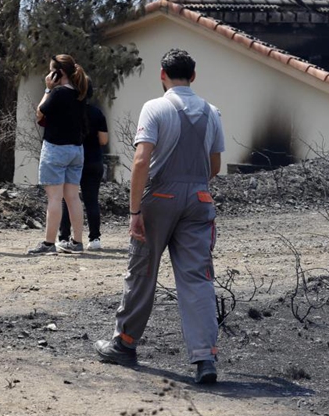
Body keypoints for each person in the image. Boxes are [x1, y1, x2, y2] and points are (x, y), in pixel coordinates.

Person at [94, 49, 225, 384]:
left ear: (162, 75)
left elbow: (140, 161)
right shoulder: (212, 113)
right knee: (197, 279)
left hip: (159, 198)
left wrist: (135, 210)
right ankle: (205, 359)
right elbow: (214, 167)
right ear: (193, 76)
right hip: (199, 198)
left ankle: (124, 343)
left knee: (143, 271)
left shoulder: (155, 107)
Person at [27, 54, 89, 255]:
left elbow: (40, 113)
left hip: (55, 149)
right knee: (73, 197)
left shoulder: (57, 92)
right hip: (76, 150)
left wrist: (47, 89)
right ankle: (77, 242)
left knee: (54, 198)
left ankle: (48, 243)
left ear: (58, 73)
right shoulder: (80, 93)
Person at [57, 88, 108, 251]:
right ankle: (94, 238)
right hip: (93, 160)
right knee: (91, 200)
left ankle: (64, 237)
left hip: (72, 161)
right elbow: (103, 140)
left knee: (68, 199)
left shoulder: (69, 112)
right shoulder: (97, 113)